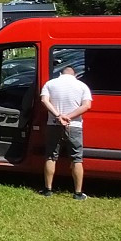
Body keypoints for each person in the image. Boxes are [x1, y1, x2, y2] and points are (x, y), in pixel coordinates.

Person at [39, 65, 92, 200]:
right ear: (74, 75)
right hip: (74, 126)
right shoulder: (82, 86)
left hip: (53, 124)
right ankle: (78, 193)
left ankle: (48, 190)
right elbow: (87, 105)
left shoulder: (50, 84)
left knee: (51, 156)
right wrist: (69, 116)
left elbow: (44, 100)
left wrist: (58, 116)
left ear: (60, 74)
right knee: (76, 158)